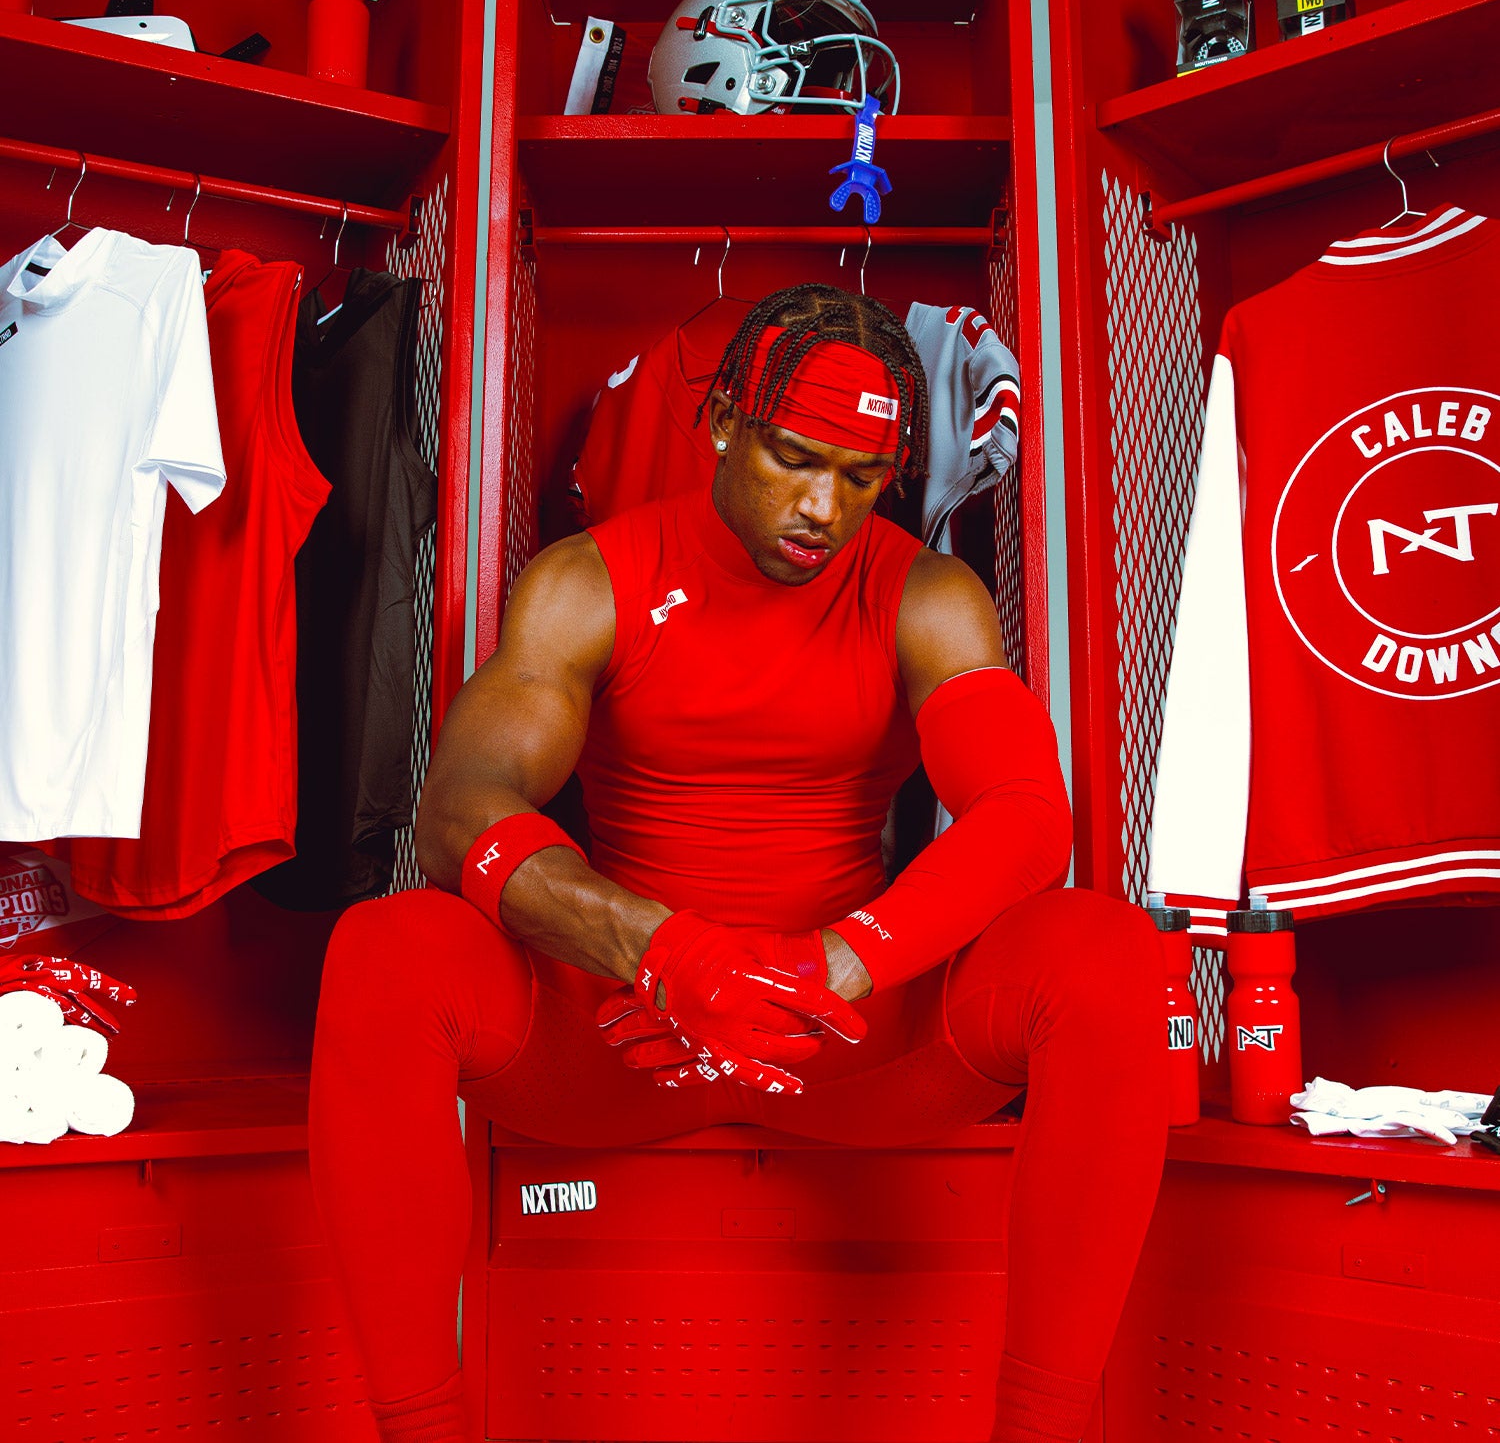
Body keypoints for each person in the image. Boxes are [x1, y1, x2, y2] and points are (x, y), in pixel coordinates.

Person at [309, 285, 1168, 1443]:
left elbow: (1025, 817)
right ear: (723, 422)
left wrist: (838, 965)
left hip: (840, 1040)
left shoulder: (926, 594)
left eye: (862, 477)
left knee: (1101, 949)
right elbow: (460, 813)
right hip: (625, 1033)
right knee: (388, 947)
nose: (823, 507)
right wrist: (661, 951)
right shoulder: (588, 581)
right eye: (794, 459)